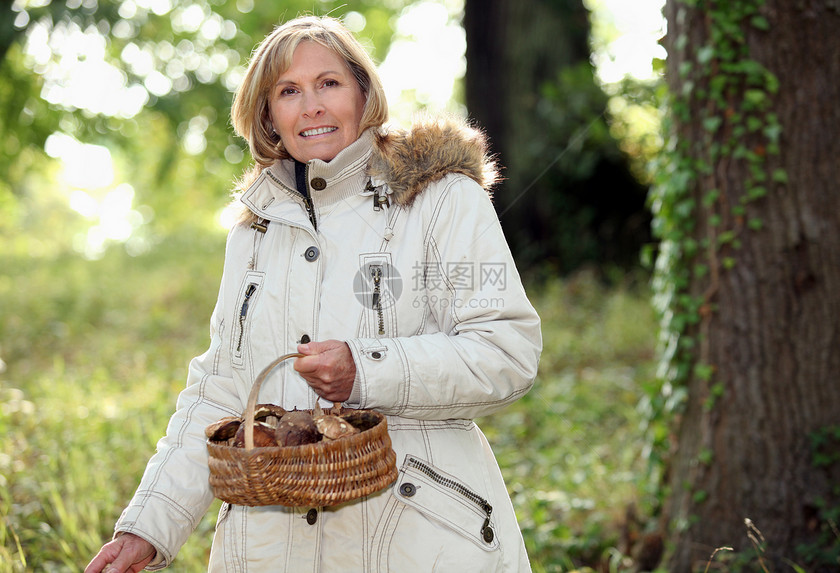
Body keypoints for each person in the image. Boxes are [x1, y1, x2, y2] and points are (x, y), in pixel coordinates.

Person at [86, 14, 541, 573]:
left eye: (328, 83)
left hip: (417, 538)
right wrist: (147, 529)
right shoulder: (254, 232)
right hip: (272, 549)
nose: (312, 106)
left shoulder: (442, 200)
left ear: (363, 93)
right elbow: (220, 391)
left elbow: (507, 350)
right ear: (269, 117)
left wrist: (366, 370)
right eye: (288, 91)